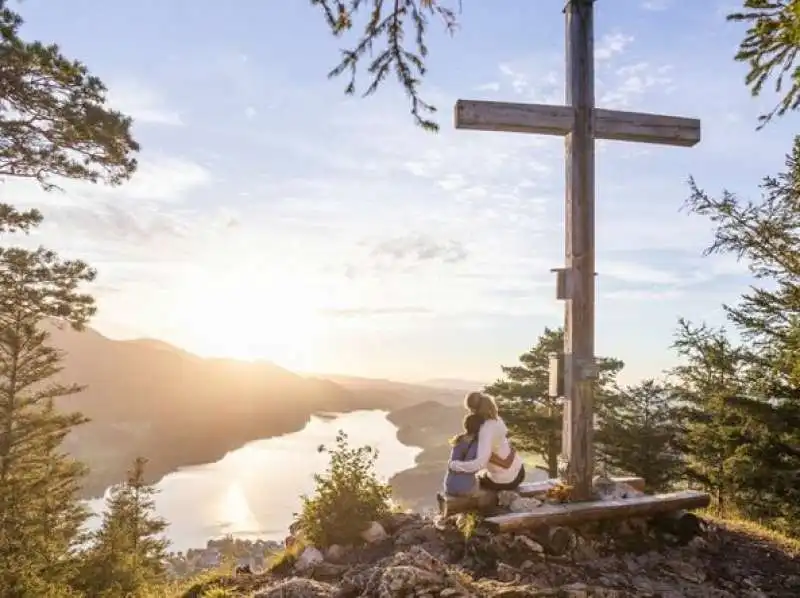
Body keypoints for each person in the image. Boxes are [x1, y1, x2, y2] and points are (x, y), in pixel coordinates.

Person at [448, 391, 525, 491]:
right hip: (520, 470)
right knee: (483, 474)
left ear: (473, 409)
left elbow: (479, 463)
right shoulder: (497, 419)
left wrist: (454, 465)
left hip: (506, 480)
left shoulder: (485, 429)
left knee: (475, 481)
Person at [443, 413, 483, 496]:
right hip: (465, 489)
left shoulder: (458, 440)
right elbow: (475, 468)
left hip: (449, 486)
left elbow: (452, 462)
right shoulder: (477, 444)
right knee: (483, 484)